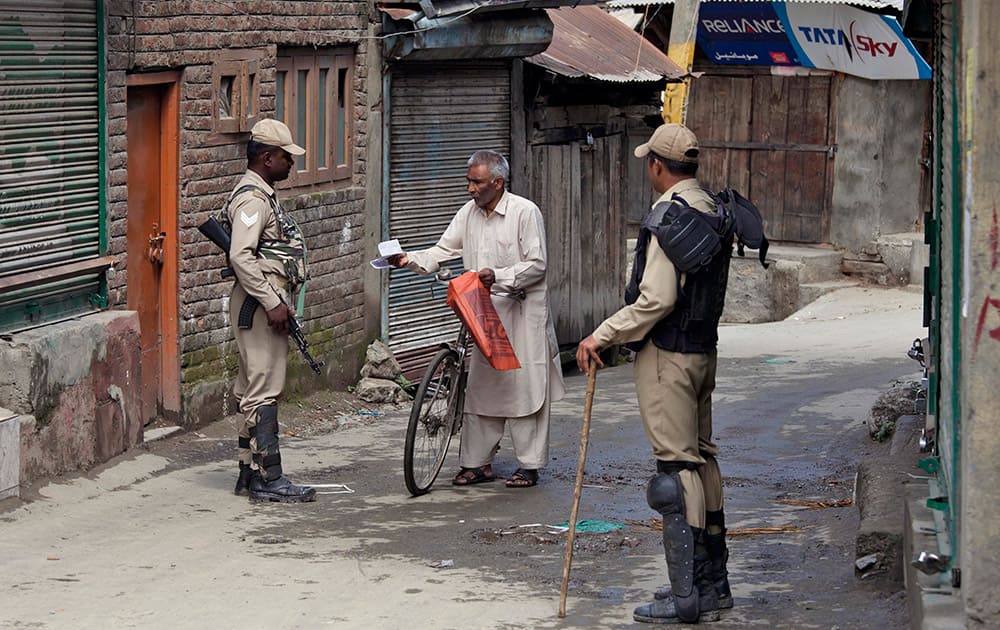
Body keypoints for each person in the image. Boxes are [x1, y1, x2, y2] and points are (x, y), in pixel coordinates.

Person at [576, 123, 733, 624]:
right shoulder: (712, 207)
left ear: (658, 166)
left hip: (667, 355)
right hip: (702, 350)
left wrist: (602, 334)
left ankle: (685, 596)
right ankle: (714, 588)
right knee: (702, 459)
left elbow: (658, 299)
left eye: (649, 161)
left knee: (675, 470)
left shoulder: (670, 214)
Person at [389, 150, 565, 488]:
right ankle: (477, 463)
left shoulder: (525, 212)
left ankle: (528, 466)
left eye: (477, 182)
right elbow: (442, 251)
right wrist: (407, 259)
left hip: (520, 312)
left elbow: (537, 264)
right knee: (483, 389)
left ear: (497, 183)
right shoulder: (468, 213)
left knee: (525, 389)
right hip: (483, 314)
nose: (470, 188)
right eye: (468, 181)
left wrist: (497, 275)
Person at [227, 118, 316, 503]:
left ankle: (248, 474)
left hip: (262, 301)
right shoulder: (252, 199)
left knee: (253, 387)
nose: (291, 163)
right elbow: (240, 256)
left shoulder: (262, 195)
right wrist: (273, 302)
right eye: (285, 157)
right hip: (259, 303)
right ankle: (270, 478)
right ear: (266, 157)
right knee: (264, 389)